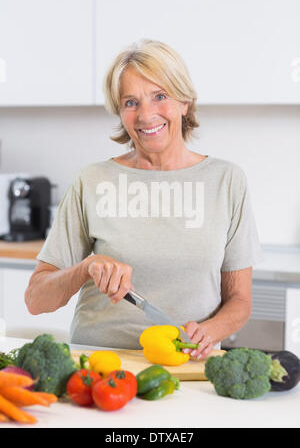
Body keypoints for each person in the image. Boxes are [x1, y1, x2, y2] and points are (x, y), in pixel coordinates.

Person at [25, 39, 264, 358]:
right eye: (130, 102)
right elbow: (36, 300)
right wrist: (87, 267)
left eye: (160, 96)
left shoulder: (226, 181)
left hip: (187, 364)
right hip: (99, 363)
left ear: (185, 102)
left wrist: (212, 331)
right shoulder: (92, 181)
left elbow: (240, 300)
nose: (146, 115)